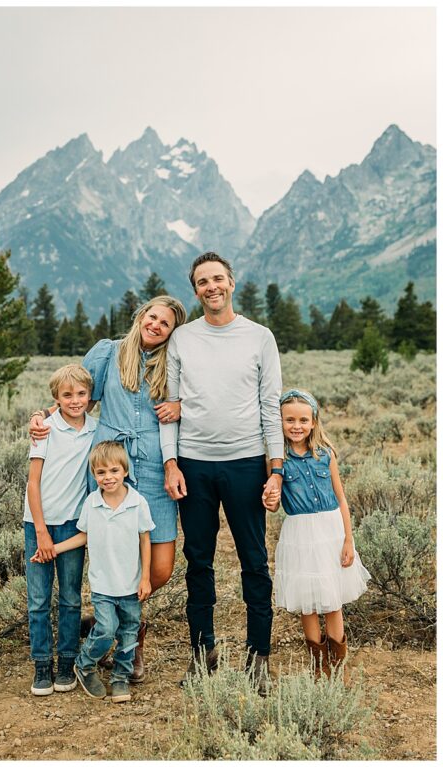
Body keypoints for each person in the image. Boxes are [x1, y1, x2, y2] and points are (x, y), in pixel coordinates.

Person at [30, 295, 186, 681]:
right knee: (106, 552)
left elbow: (193, 401)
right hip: (108, 463)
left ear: (171, 332)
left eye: (165, 324)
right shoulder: (109, 353)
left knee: (160, 568)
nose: (155, 326)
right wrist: (42, 415)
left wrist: (183, 407)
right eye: (152, 317)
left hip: (154, 465)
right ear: (141, 316)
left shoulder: (176, 362)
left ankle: (121, 626)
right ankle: (123, 643)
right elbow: (74, 393)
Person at [159, 252, 284, 694]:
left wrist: (276, 469)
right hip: (193, 464)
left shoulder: (259, 337)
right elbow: (171, 408)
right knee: (199, 561)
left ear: (232, 283)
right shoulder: (183, 340)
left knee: (254, 561)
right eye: (202, 282)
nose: (211, 287)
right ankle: (202, 651)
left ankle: (259, 657)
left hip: (248, 463)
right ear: (195, 291)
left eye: (218, 279)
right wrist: (171, 462)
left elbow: (272, 406)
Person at [33, 441, 154, 703]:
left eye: (113, 471)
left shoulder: (137, 502)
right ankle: (85, 663)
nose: (108, 477)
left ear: (125, 471)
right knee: (106, 629)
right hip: (103, 586)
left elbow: (145, 539)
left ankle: (121, 677)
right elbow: (83, 536)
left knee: (129, 633)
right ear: (94, 474)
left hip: (131, 585)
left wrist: (145, 577)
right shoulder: (92, 503)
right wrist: (54, 548)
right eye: (101, 473)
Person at [263, 389, 370, 676]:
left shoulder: (325, 454)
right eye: (289, 420)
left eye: (303, 420)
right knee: (307, 602)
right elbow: (273, 505)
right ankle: (318, 666)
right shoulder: (277, 461)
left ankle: (338, 666)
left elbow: (341, 497)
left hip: (330, 531)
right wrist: (270, 501)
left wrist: (349, 539)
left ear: (313, 422)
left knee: (332, 599)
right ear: (280, 423)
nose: (296, 426)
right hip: (299, 534)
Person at [23, 364, 96, 696]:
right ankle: (42, 664)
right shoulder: (45, 430)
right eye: (67, 395)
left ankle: (67, 661)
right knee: (39, 599)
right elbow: (33, 483)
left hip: (73, 524)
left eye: (81, 394)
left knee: (70, 597)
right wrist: (40, 531)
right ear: (56, 398)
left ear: (90, 396)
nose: (75, 400)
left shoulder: (95, 430)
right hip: (39, 523)